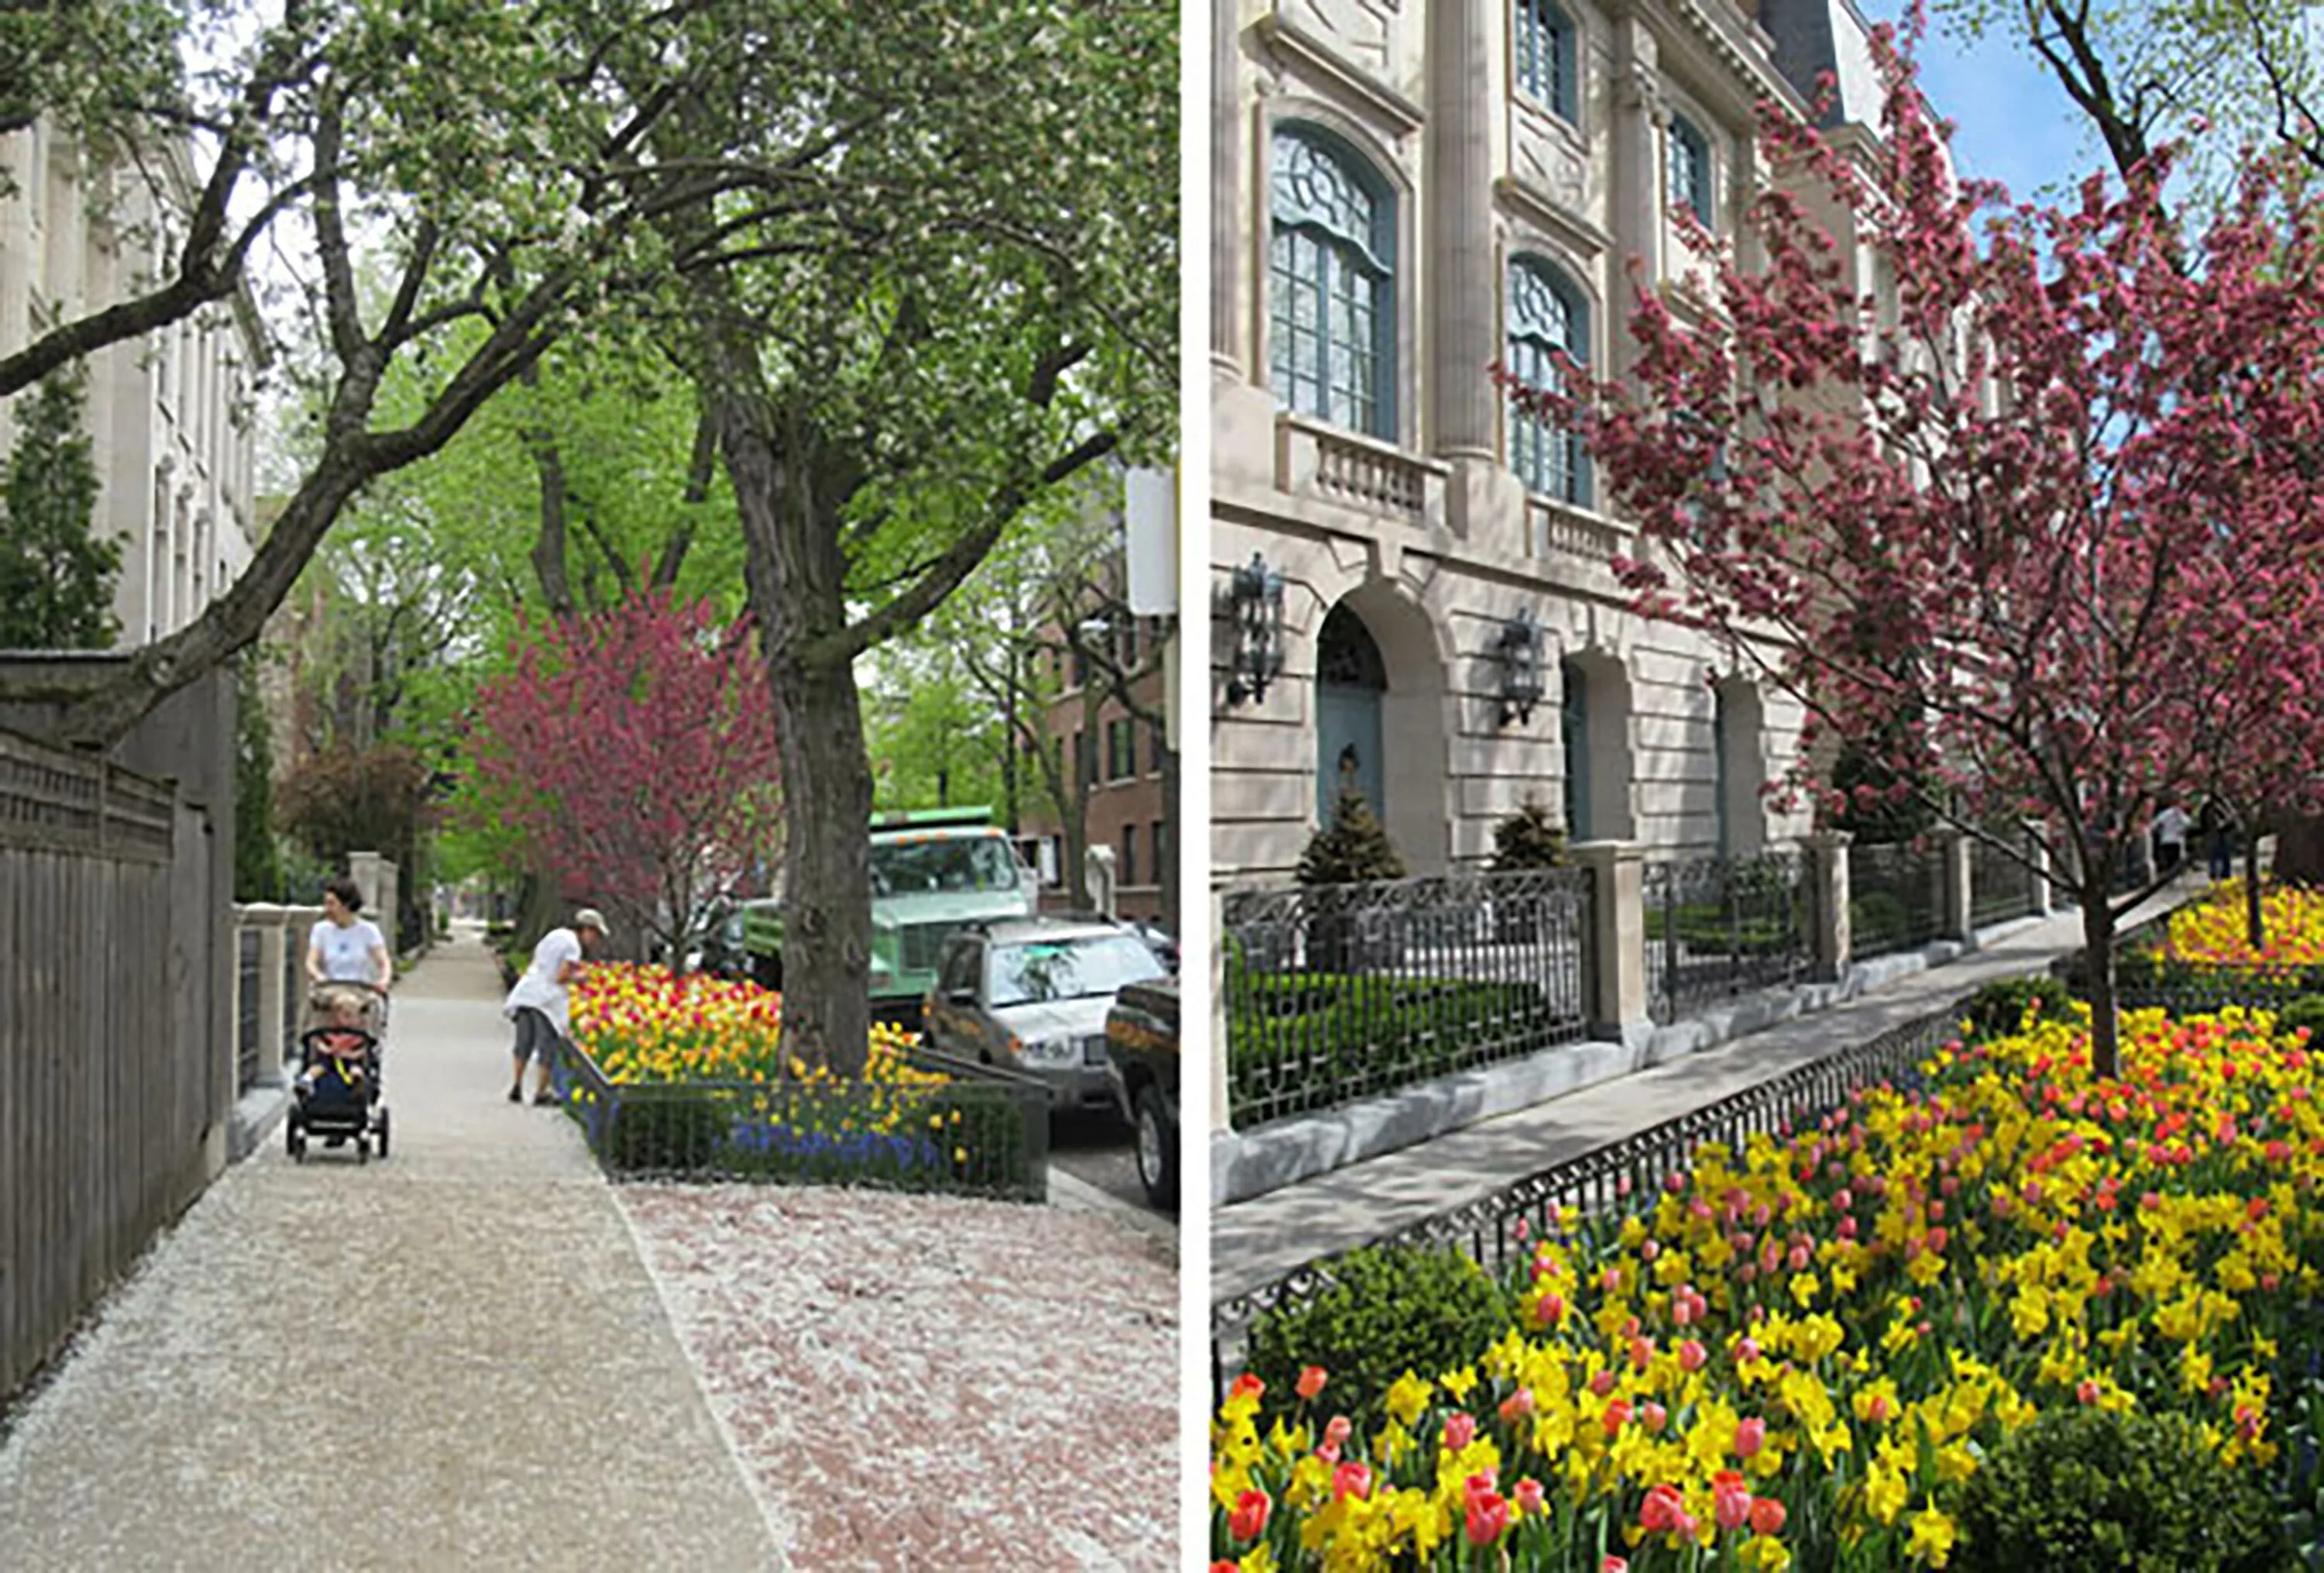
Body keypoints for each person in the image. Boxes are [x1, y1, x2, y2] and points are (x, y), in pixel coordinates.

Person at [503, 907, 607, 1106]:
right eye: (595, 935)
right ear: (587, 930)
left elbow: (538, 961)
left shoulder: (554, 935)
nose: (594, 941)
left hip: (527, 992)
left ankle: (516, 1085)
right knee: (546, 1045)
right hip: (547, 1001)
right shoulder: (573, 946)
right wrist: (581, 978)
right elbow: (562, 976)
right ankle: (541, 1092)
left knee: (524, 1042)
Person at [307, 876, 392, 996]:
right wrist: (319, 976)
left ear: (347, 905)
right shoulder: (321, 930)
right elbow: (311, 962)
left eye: (331, 904)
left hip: (359, 991)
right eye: (325, 903)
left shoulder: (368, 931)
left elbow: (384, 962)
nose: (327, 909)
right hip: (330, 989)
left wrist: (384, 980)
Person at [298, 987, 371, 1098]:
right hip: (329, 1058)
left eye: (354, 1016)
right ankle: (305, 1081)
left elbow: (362, 1050)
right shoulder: (328, 1032)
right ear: (335, 1016)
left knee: (356, 1069)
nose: (351, 1020)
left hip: (350, 1060)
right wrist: (326, 1050)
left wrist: (350, 1055)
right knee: (319, 1067)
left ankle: (358, 1085)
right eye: (346, 1016)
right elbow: (318, 1043)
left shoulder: (357, 1035)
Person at [2154, 801, 2190, 877]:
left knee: (2175, 861)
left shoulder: (2180, 814)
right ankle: (2170, 876)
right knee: (2170, 861)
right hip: (2168, 840)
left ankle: (2174, 876)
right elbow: (2157, 822)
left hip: (2175, 841)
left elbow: (2187, 823)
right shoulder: (2168, 813)